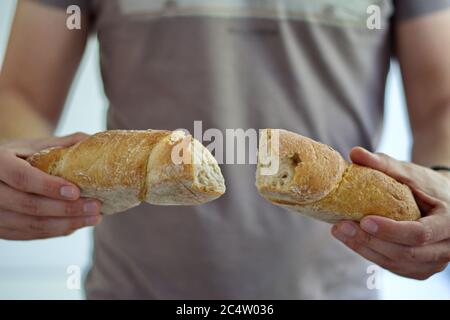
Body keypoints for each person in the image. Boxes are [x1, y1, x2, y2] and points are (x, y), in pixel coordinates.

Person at [0, 0, 449, 299]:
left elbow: (440, 106)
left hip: (335, 285)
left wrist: (444, 179)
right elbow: (22, 95)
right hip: (133, 287)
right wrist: (13, 174)